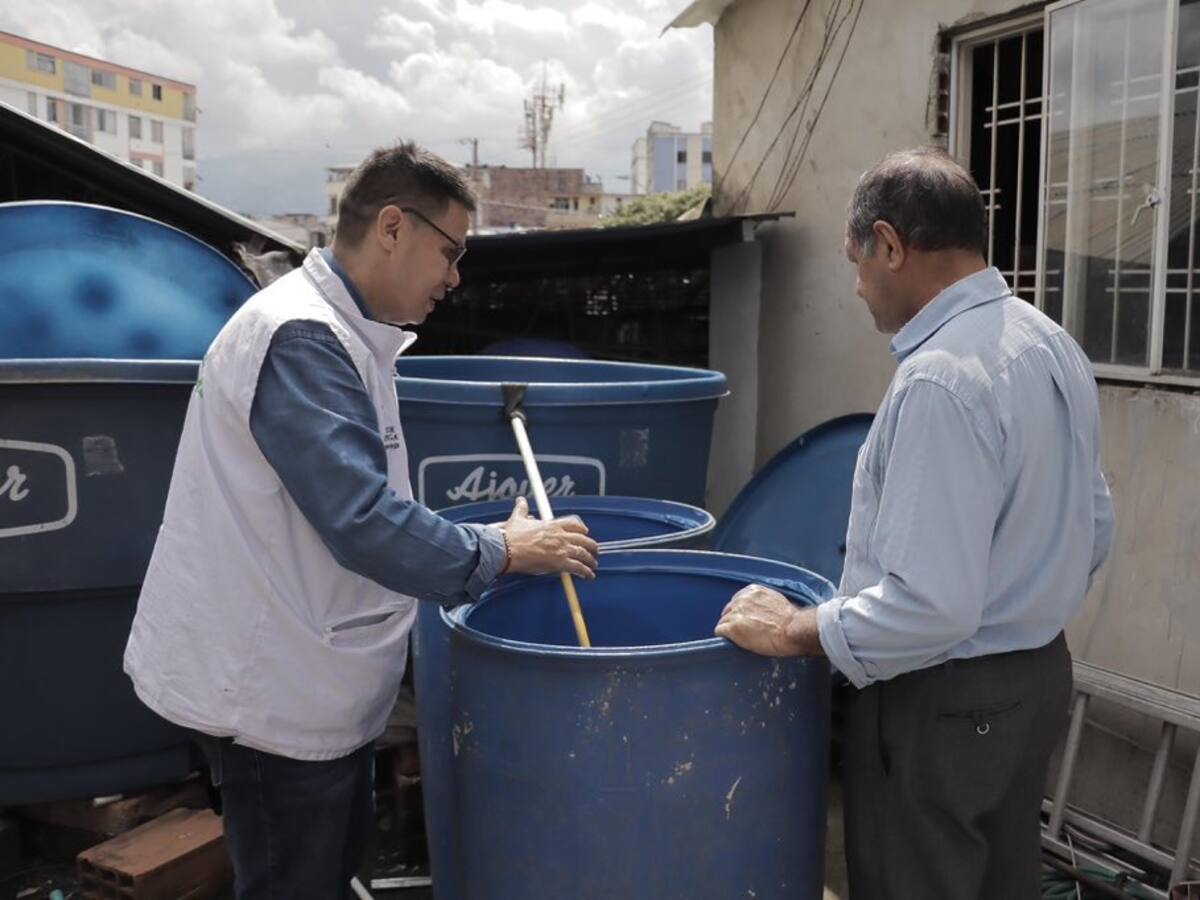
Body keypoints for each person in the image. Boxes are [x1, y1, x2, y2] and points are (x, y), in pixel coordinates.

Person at [124, 141, 599, 899]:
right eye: (449, 251)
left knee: (323, 872)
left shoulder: (341, 335)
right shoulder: (303, 338)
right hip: (276, 697)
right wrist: (502, 552)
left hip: (306, 682)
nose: (454, 276)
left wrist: (490, 541)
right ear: (390, 228)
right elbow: (361, 520)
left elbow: (347, 502)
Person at [715, 147, 1114, 900]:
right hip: (1033, 683)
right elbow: (1095, 525)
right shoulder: (1049, 343)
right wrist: (1022, 598)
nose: (858, 286)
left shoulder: (940, 379)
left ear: (891, 245)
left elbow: (930, 607)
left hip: (942, 704)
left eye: (857, 261)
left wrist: (796, 630)